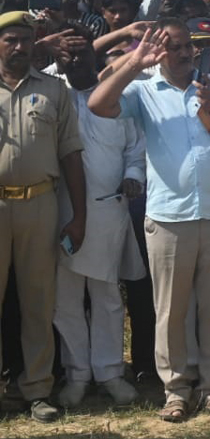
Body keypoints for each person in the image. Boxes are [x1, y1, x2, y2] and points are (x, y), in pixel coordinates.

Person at [88, 18, 210, 423]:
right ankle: (176, 390)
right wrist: (134, 63)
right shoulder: (143, 90)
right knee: (171, 310)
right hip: (168, 217)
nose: (182, 52)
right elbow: (98, 104)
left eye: (186, 45)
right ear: (157, 49)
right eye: (171, 46)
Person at [0, 11, 87, 423]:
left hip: (40, 204)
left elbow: (71, 155)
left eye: (24, 39)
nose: (18, 47)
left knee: (38, 302)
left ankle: (37, 390)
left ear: (36, 42)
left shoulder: (55, 90)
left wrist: (80, 215)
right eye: (9, 40)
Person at [51, 29, 145, 409]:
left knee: (106, 297)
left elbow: (135, 151)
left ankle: (109, 373)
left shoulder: (116, 101)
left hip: (109, 210)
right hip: (60, 210)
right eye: (68, 59)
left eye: (83, 57)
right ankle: (76, 375)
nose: (75, 64)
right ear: (60, 64)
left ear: (96, 61)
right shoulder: (53, 95)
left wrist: (134, 178)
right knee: (66, 299)